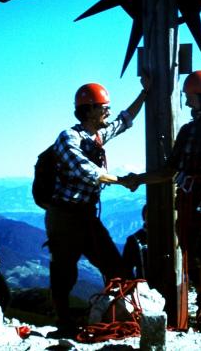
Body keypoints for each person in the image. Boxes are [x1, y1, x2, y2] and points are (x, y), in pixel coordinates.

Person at [122, 70, 201, 332]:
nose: (188, 103)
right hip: (188, 202)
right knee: (192, 258)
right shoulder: (188, 131)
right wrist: (139, 179)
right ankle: (197, 309)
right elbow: (170, 171)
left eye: (191, 97)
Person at [45, 78, 149, 338]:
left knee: (115, 267)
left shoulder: (97, 136)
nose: (109, 112)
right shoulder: (68, 137)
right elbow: (85, 169)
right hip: (64, 215)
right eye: (104, 107)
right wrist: (123, 181)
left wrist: (146, 92)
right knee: (64, 272)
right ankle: (64, 323)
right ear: (89, 109)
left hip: (85, 215)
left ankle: (116, 317)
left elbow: (124, 121)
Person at [122, 204, 148, 279]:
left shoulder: (168, 238)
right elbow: (126, 268)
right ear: (144, 217)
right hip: (144, 287)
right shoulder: (133, 240)